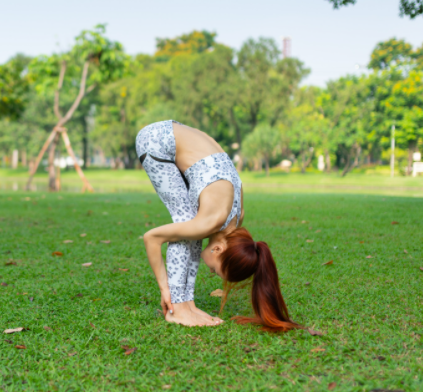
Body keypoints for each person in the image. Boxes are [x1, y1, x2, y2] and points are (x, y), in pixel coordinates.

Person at [136, 120, 300, 331]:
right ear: (218, 249)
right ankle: (177, 309)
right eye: (214, 269)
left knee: (192, 228)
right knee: (187, 224)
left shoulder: (236, 218)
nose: (210, 271)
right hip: (155, 140)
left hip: (176, 134)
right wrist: (164, 288)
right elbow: (152, 238)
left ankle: (187, 304)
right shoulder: (213, 220)